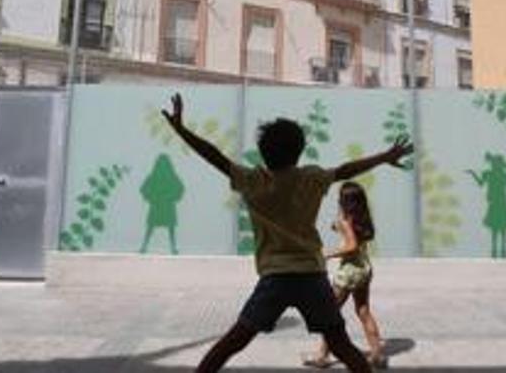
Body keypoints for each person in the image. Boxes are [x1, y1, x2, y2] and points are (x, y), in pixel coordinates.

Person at [161, 93, 412, 373]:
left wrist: (181, 130)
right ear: (300, 150)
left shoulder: (253, 180)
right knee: (341, 345)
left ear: (263, 152)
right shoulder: (312, 177)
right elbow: (346, 169)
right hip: (311, 277)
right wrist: (385, 156)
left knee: (232, 342)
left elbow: (215, 157)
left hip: (275, 279)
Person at [303, 181, 387, 369]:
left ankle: (322, 356)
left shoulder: (345, 221)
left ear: (344, 201)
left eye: (340, 197)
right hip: (364, 269)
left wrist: (328, 254)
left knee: (328, 315)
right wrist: (339, 226)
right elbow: (354, 238)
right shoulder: (361, 218)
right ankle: (377, 355)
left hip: (349, 273)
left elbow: (351, 246)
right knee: (363, 311)